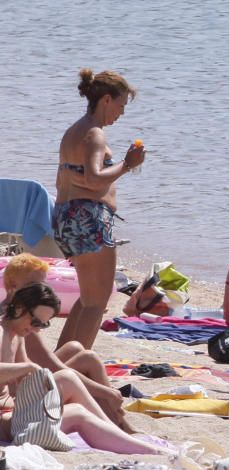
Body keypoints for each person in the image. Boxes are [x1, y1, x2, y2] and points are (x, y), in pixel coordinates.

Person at [1, 283, 167, 454]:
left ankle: (119, 433)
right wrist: (27, 368)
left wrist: (35, 387)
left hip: (15, 409)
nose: (35, 329)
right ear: (19, 307)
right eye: (35, 322)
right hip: (5, 419)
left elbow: (25, 380)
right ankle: (127, 437)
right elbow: (40, 366)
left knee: (72, 386)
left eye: (42, 325)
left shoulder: (17, 334)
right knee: (71, 390)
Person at [53, 68, 145, 350]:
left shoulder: (75, 131)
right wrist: (128, 164)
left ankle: (60, 361)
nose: (121, 113)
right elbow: (93, 178)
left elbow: (70, 177)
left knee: (87, 298)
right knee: (98, 301)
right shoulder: (94, 134)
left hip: (66, 217)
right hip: (88, 220)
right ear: (106, 99)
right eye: (120, 105)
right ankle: (75, 368)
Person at [2, 253, 129, 428]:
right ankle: (117, 421)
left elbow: (41, 363)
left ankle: (114, 417)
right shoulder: (21, 317)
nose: (41, 289)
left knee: (75, 348)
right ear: (14, 286)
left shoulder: (20, 312)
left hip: (26, 378)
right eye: (34, 285)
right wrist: (105, 391)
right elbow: (50, 366)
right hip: (17, 392)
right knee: (88, 360)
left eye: (43, 284)